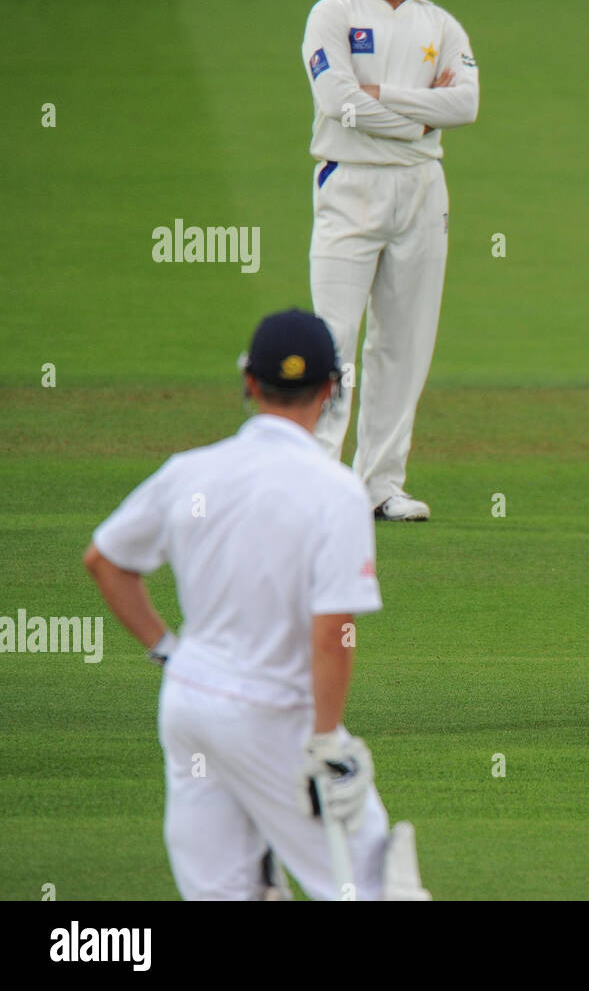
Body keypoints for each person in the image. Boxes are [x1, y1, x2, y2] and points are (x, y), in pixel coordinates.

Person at [83, 310, 430, 901]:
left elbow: (106, 561)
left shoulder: (190, 472)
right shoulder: (336, 492)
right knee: (374, 886)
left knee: (224, 893)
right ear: (331, 391)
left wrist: (170, 653)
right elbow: (332, 634)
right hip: (278, 716)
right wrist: (326, 741)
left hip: (190, 706)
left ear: (248, 381)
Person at [302, 0, 479, 521]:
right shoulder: (331, 14)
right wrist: (415, 123)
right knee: (334, 336)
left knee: (404, 342)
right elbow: (336, 101)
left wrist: (385, 97)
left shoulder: (441, 25)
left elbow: (466, 105)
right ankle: (320, 481)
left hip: (422, 190)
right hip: (350, 183)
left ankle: (380, 485)